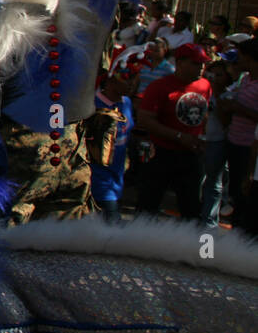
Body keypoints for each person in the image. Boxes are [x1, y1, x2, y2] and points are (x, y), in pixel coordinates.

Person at [136, 44, 212, 219]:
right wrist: (178, 136)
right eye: (195, 63)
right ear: (180, 63)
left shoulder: (205, 85)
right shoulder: (159, 86)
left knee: (192, 207)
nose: (201, 67)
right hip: (162, 153)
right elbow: (145, 120)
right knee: (148, 205)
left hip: (191, 155)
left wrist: (204, 138)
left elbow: (204, 114)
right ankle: (138, 242)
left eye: (203, 63)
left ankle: (189, 244)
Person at [87, 66, 138, 223]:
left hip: (118, 181)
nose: (131, 83)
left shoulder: (127, 102)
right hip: (98, 180)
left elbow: (128, 133)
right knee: (112, 229)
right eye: (126, 77)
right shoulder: (92, 104)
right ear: (110, 80)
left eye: (133, 78)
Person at [218, 38, 258, 230]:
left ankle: (243, 244)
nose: (238, 61)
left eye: (241, 57)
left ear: (251, 59)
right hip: (234, 142)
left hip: (249, 148)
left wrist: (238, 108)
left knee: (245, 194)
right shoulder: (246, 79)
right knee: (235, 193)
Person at [200, 59, 236, 227]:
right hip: (198, 140)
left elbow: (225, 122)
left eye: (219, 75)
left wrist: (216, 97)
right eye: (211, 74)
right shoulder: (199, 90)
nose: (214, 78)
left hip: (217, 141)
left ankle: (209, 223)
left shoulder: (229, 95)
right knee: (196, 181)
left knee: (214, 183)